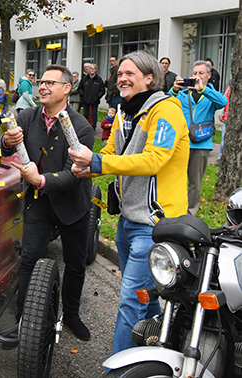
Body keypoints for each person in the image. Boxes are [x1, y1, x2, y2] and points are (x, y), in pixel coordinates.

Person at [69, 50, 189, 354]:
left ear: (150, 78)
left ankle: (118, 369)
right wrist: (88, 167)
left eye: (129, 74)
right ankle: (165, 339)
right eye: (120, 73)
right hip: (127, 220)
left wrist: (97, 162)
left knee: (131, 301)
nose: (121, 78)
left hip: (155, 223)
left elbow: (153, 160)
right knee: (146, 295)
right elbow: (112, 152)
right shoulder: (124, 110)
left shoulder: (168, 110)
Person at [0, 64, 94, 342]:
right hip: (38, 203)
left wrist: (39, 180)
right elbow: (2, 147)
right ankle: (23, 321)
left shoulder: (82, 127)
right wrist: (6, 140)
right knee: (30, 258)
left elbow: (73, 176)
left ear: (67, 89)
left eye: (51, 83)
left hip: (72, 205)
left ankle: (72, 316)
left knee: (74, 264)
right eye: (41, 81)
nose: (42, 86)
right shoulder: (26, 116)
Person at [169, 60, 227, 215]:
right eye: (194, 73)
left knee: (195, 183)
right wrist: (174, 89)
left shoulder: (210, 94)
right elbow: (167, 104)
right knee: (176, 179)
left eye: (201, 73)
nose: (197, 76)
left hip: (201, 145)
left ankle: (190, 213)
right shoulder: (183, 94)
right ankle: (174, 209)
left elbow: (223, 102)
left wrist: (204, 90)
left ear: (208, 75)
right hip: (182, 144)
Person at [77, 63, 105, 129]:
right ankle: (85, 127)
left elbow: (102, 89)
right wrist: (83, 95)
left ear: (95, 70)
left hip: (95, 101)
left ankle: (93, 127)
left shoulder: (99, 79)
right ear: (89, 70)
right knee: (85, 114)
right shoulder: (84, 79)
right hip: (85, 100)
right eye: (91, 68)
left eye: (93, 69)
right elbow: (80, 88)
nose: (92, 70)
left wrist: (98, 96)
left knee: (94, 114)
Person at [219, 86, 231, 160]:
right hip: (227, 118)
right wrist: (221, 113)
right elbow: (224, 100)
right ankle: (221, 157)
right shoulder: (230, 88)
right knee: (224, 139)